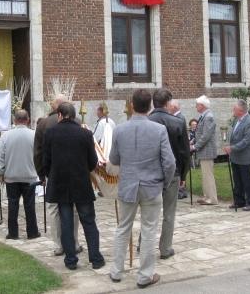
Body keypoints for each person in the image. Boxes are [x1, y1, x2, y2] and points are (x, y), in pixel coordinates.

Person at [109, 89, 175, 289]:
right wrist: (165, 182)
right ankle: (145, 275)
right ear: (150, 107)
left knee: (123, 229)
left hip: (129, 184)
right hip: (151, 185)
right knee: (148, 230)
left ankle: (116, 271)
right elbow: (169, 162)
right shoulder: (158, 130)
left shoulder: (119, 130)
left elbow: (113, 159)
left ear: (131, 106)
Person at [43, 102, 105, 271]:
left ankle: (70, 259)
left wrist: (52, 175)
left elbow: (46, 161)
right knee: (89, 221)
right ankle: (96, 258)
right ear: (73, 115)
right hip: (81, 182)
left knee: (66, 222)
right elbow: (93, 161)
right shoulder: (85, 134)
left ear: (60, 115)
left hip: (60, 182)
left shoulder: (51, 133)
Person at [34, 94, 81, 256]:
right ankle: (74, 242)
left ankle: (58, 244)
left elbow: (38, 152)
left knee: (53, 208)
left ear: (55, 107)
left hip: (53, 172)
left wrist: (42, 175)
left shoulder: (44, 124)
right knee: (73, 208)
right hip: (74, 172)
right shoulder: (78, 122)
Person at [145, 88, 189, 259]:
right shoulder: (176, 123)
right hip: (172, 172)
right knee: (169, 213)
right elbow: (185, 153)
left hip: (151, 172)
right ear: (167, 103)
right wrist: (183, 175)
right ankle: (165, 248)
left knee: (149, 213)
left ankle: (144, 243)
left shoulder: (147, 121)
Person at [0, 109, 41, 240]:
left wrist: (0, 172)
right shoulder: (34, 135)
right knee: (30, 205)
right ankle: (32, 232)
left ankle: (13, 233)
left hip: (12, 176)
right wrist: (40, 173)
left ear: (14, 121)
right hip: (30, 175)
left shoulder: (6, 136)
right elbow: (39, 155)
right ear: (28, 120)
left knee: (12, 204)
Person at [224, 99, 250, 211]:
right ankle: (239, 200)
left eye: (234, 109)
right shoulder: (237, 120)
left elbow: (246, 141)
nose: (233, 111)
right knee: (237, 180)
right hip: (235, 156)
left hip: (245, 156)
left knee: (247, 180)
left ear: (241, 110)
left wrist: (232, 148)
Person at [190, 95, 218, 205]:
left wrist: (195, 146)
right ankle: (207, 196)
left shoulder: (208, 117)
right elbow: (199, 133)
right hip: (203, 151)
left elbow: (206, 135)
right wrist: (192, 141)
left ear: (202, 105)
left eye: (197, 105)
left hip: (207, 150)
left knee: (208, 175)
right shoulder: (203, 116)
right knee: (204, 175)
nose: (195, 107)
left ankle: (212, 198)